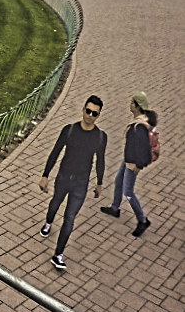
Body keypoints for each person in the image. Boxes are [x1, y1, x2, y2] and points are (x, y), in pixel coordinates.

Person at [39, 96, 107, 271]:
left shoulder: (100, 137)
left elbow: (100, 161)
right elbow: (55, 153)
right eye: (88, 111)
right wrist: (45, 175)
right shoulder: (69, 131)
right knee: (55, 204)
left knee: (69, 219)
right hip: (63, 178)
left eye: (95, 113)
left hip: (81, 183)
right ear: (83, 109)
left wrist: (99, 182)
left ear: (98, 115)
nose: (90, 115)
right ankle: (48, 222)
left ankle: (58, 255)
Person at [101, 92, 156, 237]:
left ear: (137, 106)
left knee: (128, 192)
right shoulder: (139, 121)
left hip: (133, 164)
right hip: (128, 160)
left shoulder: (140, 127)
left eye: (132, 103)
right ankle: (115, 208)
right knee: (118, 181)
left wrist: (139, 165)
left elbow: (145, 150)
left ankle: (142, 220)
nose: (130, 104)